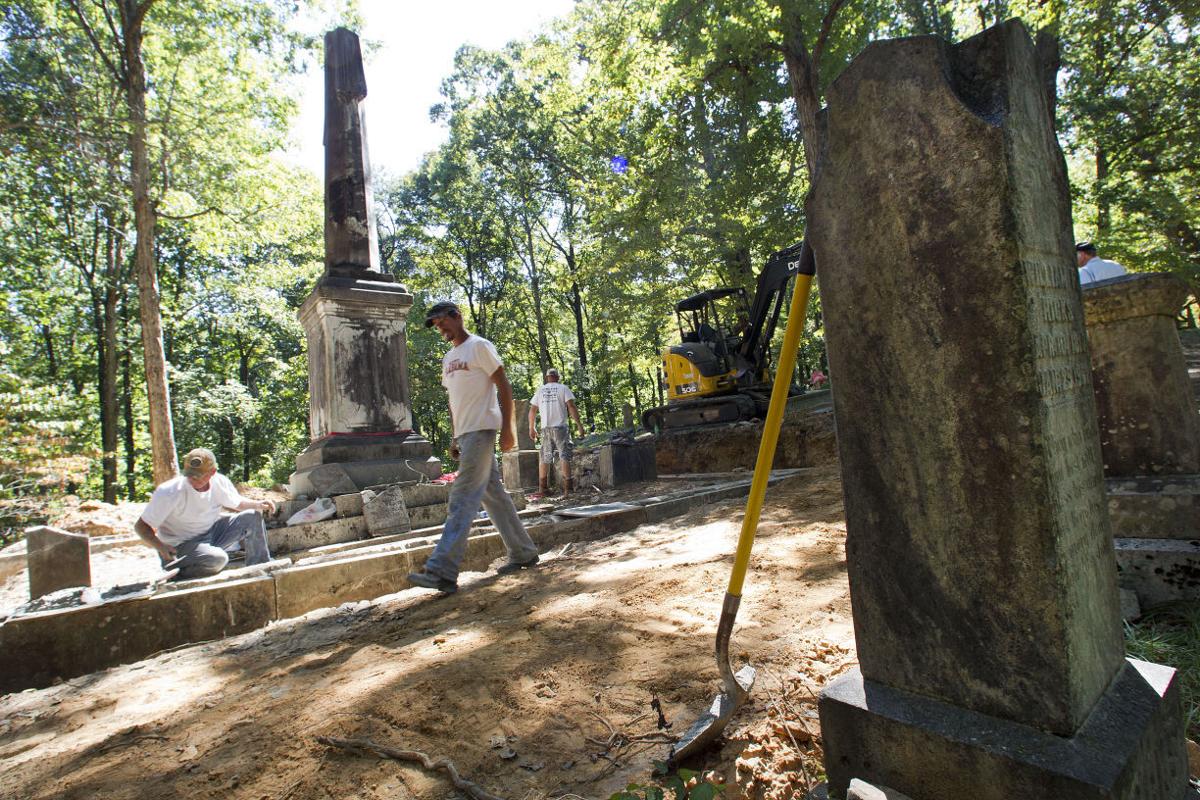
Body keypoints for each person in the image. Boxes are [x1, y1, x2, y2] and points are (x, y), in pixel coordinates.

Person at [407, 301, 541, 594]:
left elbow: (503, 386)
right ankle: (523, 551)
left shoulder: (479, 346)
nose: (440, 328)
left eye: (442, 322)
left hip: (483, 430)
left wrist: (506, 429)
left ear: (457, 317)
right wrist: (455, 436)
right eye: (436, 326)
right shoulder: (448, 358)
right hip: (467, 434)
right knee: (493, 495)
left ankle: (442, 569)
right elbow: (454, 399)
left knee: (463, 495)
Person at [134, 448, 276, 580]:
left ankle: (260, 567)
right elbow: (141, 526)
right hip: (180, 548)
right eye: (190, 476)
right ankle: (176, 573)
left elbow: (237, 503)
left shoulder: (219, 482)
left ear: (212, 472)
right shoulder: (170, 492)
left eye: (198, 476)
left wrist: (258, 504)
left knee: (252, 517)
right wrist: (161, 547)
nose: (193, 480)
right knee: (218, 559)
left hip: (210, 536)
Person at [528, 368, 586, 496]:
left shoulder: (540, 390)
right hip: (560, 428)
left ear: (547, 377)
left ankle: (543, 489)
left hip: (545, 428)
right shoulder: (563, 388)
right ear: (558, 377)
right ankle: (568, 489)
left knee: (545, 457)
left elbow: (532, 410)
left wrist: (531, 427)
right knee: (564, 456)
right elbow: (571, 406)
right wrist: (579, 425)